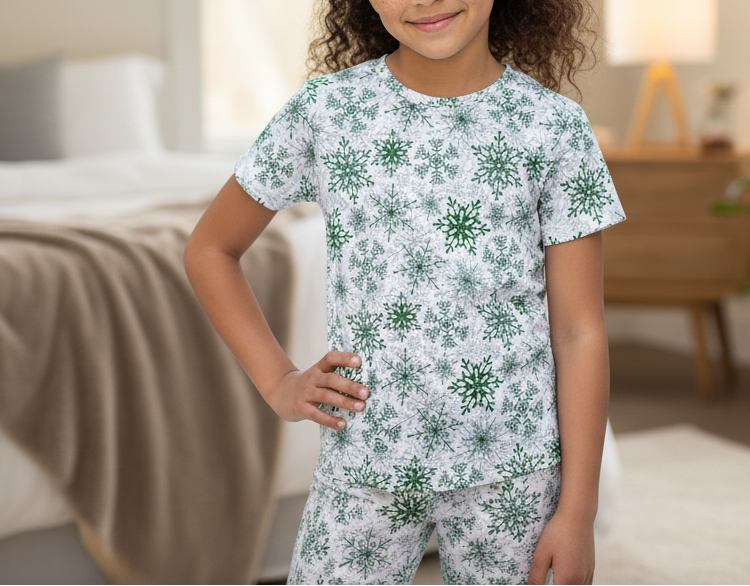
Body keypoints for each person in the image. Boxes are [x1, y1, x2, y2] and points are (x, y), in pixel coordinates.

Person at [184, 1, 625, 583]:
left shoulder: (553, 128)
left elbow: (579, 332)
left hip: (516, 469)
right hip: (364, 456)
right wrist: (278, 381)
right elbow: (210, 250)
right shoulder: (326, 112)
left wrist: (578, 512)